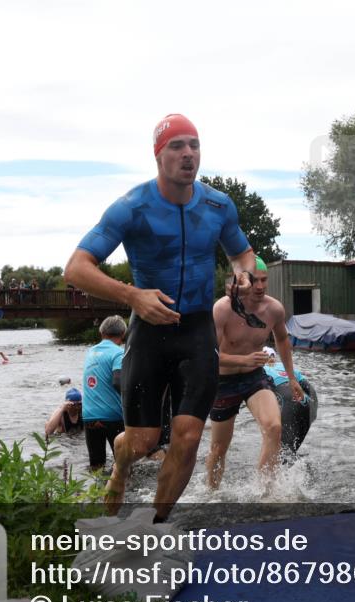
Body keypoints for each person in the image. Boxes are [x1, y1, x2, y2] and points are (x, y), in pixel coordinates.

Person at [64, 113, 256, 521]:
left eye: (194, 145)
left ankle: (153, 527)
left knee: (186, 439)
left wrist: (242, 273)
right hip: (150, 335)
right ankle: (120, 465)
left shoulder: (219, 205)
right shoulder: (131, 208)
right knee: (141, 442)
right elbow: (77, 268)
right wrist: (132, 295)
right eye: (177, 146)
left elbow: (243, 253)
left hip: (198, 333)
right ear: (158, 154)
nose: (188, 154)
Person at [206, 256, 304, 490]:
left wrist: (292, 378)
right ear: (241, 282)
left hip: (254, 377)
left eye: (264, 280)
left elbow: (282, 339)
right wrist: (243, 358)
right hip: (223, 380)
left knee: (274, 427)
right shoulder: (223, 309)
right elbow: (209, 356)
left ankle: (264, 491)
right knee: (219, 448)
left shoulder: (273, 309)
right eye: (255, 281)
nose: (260, 286)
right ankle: (211, 493)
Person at [81, 315, 165, 471]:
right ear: (123, 334)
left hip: (89, 416)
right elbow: (118, 382)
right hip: (112, 416)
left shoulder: (90, 352)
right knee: (124, 465)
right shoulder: (118, 353)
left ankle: (96, 495)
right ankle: (126, 493)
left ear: (101, 332)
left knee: (97, 465)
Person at [262, 346, 317, 462]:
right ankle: (302, 476)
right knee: (292, 450)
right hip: (307, 405)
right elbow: (311, 391)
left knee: (284, 453)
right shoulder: (290, 370)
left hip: (286, 401)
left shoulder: (261, 370)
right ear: (274, 357)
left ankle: (281, 478)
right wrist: (313, 415)